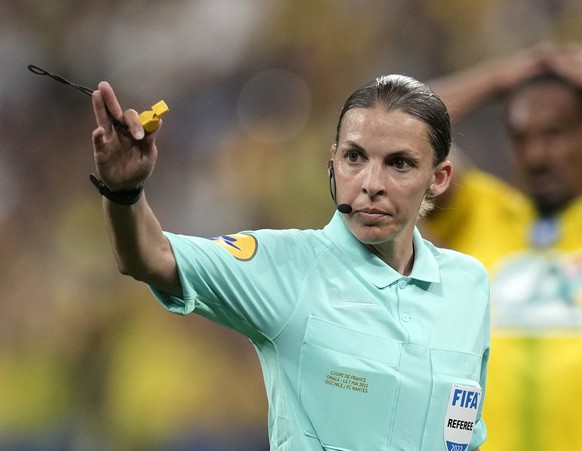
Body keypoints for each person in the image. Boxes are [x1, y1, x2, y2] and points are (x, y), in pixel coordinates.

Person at [90, 74, 489, 450]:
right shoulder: (286, 267)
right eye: (354, 157)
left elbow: (463, 434)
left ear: (439, 178)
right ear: (333, 161)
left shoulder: (468, 286)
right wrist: (124, 191)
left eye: (399, 163)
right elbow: (151, 257)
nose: (371, 183)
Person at [422, 44, 582, 450]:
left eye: (555, 134)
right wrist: (496, 78)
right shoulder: (481, 212)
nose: (537, 155)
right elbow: (399, 125)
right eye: (522, 139)